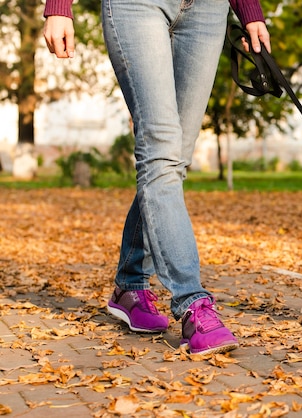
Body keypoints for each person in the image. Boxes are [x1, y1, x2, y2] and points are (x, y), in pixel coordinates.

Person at [43, 0, 271, 355]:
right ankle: (192, 303)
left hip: (208, 10)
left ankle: (129, 284)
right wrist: (59, 5)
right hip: (137, 5)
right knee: (161, 153)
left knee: (174, 161)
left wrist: (250, 12)